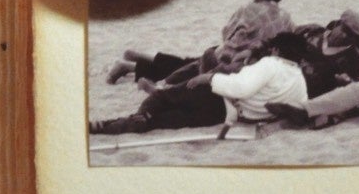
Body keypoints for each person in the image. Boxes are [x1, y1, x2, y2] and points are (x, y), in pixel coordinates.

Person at [89, 28, 308, 135]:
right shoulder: (299, 79)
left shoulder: (271, 63)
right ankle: (124, 123)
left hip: (218, 97)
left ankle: (134, 117)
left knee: (163, 97)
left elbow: (240, 87)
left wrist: (209, 77)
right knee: (169, 119)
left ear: (276, 50)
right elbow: (299, 108)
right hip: (224, 115)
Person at [105, 0, 293, 87]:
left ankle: (132, 64)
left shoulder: (249, 9)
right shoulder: (287, 17)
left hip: (230, 57)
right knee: (187, 64)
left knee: (187, 65)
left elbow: (227, 32)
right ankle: (136, 60)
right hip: (251, 61)